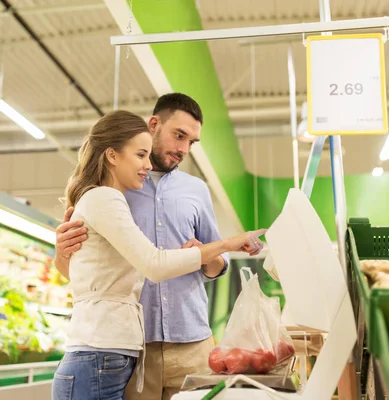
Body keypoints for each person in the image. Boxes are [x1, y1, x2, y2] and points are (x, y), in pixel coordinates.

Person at [52, 108, 265, 400]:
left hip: (186, 338)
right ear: (154, 125)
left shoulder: (194, 190)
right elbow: (102, 270)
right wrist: (61, 253)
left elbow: (216, 266)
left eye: (192, 142)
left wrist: (209, 255)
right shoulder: (114, 194)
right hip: (134, 348)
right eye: (179, 135)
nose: (184, 148)